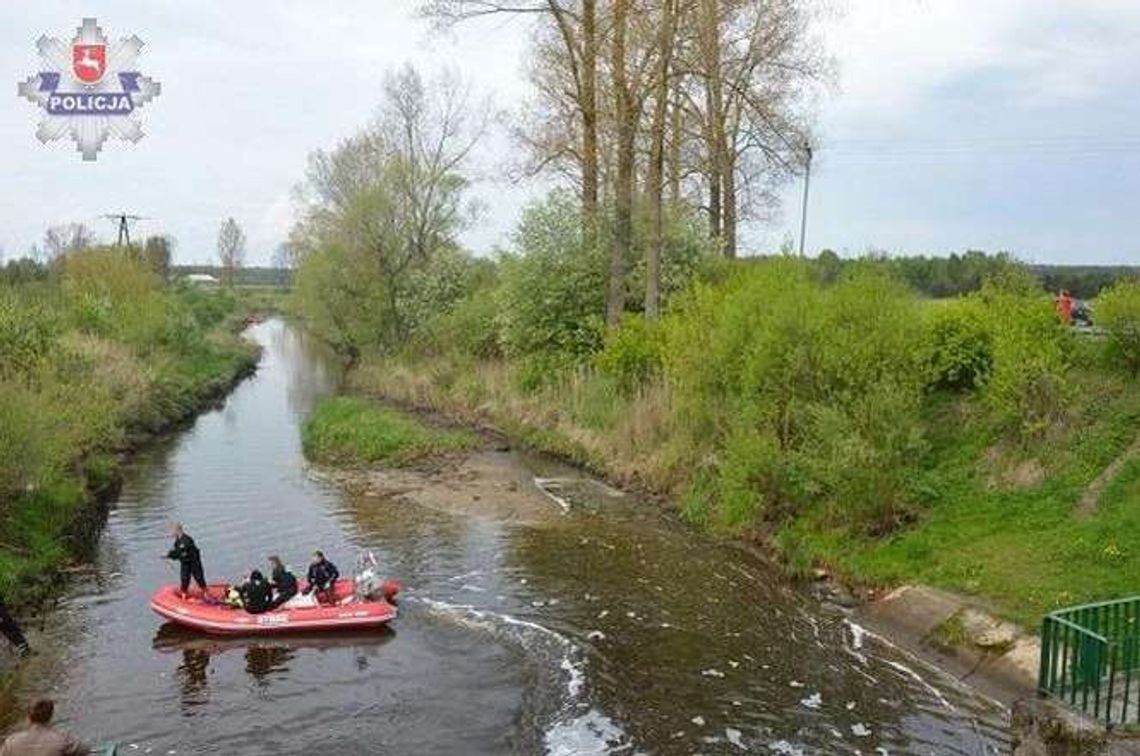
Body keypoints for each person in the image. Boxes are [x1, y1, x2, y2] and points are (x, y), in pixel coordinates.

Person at [0, 698, 87, 756]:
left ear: (28, 716)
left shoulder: (10, 741)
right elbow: (85, 750)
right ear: (51, 715)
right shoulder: (63, 740)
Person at [165, 523, 206, 598]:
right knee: (184, 578)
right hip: (185, 563)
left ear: (177, 530)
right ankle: (184, 596)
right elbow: (177, 553)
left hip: (194, 562)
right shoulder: (177, 542)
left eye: (172, 532)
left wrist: (171, 555)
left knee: (199, 577)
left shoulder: (187, 540)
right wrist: (169, 555)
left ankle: (205, 592)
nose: (170, 534)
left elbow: (182, 551)